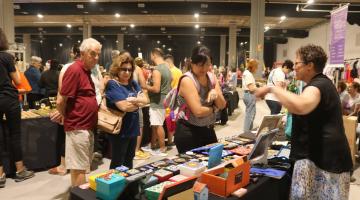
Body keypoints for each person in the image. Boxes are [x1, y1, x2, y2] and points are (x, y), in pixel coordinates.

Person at [255, 44, 352, 199]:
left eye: (297, 63)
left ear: (310, 65)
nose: (294, 67)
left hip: (324, 161)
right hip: (322, 157)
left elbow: (301, 106)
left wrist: (271, 89)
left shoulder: (317, 85)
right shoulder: (321, 84)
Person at [57, 38, 101, 187]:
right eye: (92, 54)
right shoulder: (75, 70)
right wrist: (66, 117)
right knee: (79, 168)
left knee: (79, 168)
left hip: (85, 126)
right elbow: (61, 100)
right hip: (78, 126)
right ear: (82, 53)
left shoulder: (87, 71)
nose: (96, 58)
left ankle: (77, 195)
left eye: (98, 54)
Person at [174, 45, 226, 153]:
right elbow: (198, 111)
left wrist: (215, 92)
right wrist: (214, 109)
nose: (203, 69)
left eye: (207, 65)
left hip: (208, 129)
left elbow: (222, 105)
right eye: (199, 65)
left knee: (213, 165)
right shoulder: (187, 80)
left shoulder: (211, 77)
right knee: (192, 168)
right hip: (189, 132)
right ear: (192, 63)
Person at [0, 28, 35, 188]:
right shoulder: (6, 57)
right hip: (9, 98)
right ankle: (20, 170)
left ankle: (0, 174)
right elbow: (18, 80)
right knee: (15, 134)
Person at [105, 54, 149, 169]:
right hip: (120, 131)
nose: (127, 72)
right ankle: (114, 186)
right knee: (118, 162)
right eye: (124, 69)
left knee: (129, 160)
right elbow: (124, 107)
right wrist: (138, 104)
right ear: (117, 69)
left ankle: (128, 186)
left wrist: (134, 100)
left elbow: (146, 100)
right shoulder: (112, 84)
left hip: (133, 129)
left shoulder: (133, 84)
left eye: (130, 70)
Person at [48, 43, 81, 176]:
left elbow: (62, 91)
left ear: (73, 53)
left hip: (71, 108)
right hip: (86, 110)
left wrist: (60, 110)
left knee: (66, 135)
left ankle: (63, 166)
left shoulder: (68, 67)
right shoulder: (91, 68)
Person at [143, 48, 172, 156]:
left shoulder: (157, 70)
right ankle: (153, 145)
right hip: (165, 100)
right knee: (156, 124)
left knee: (158, 124)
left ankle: (162, 148)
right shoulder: (167, 68)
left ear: (154, 55)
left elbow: (156, 89)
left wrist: (144, 86)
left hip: (157, 101)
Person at [164, 54, 183, 146]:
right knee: (174, 119)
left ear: (168, 61)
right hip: (178, 100)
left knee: (170, 119)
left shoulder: (169, 71)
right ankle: (173, 138)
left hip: (171, 99)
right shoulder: (179, 71)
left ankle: (170, 140)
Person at [242, 59, 258, 132]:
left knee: (251, 114)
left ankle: (248, 132)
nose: (257, 68)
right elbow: (251, 88)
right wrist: (259, 88)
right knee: (249, 116)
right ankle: (246, 133)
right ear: (253, 66)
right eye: (256, 67)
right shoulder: (248, 74)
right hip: (249, 95)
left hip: (248, 94)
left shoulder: (247, 73)